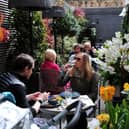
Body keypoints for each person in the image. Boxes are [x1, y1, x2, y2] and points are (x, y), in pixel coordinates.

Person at [62, 52, 99, 129]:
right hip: (73, 102)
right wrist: (63, 71)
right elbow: (60, 84)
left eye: (78, 59)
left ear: (85, 62)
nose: (75, 60)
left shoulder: (93, 74)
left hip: (86, 104)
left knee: (79, 119)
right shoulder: (72, 71)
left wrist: (81, 99)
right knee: (70, 116)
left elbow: (94, 94)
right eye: (74, 58)